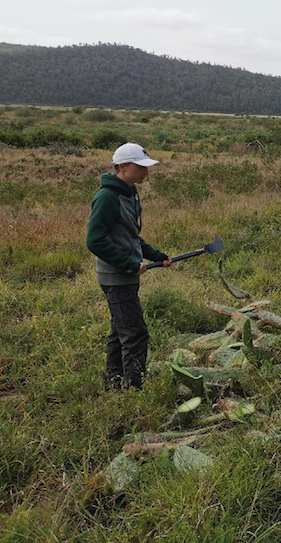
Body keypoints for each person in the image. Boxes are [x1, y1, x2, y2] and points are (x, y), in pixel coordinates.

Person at [86, 142, 171, 390]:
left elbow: (130, 235)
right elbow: (95, 240)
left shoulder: (130, 192)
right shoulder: (107, 198)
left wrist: (155, 255)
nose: (146, 172)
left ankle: (113, 382)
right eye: (140, 167)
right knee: (135, 334)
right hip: (116, 277)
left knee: (119, 331)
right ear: (122, 167)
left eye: (147, 167)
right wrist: (128, 264)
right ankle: (134, 389)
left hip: (125, 275)